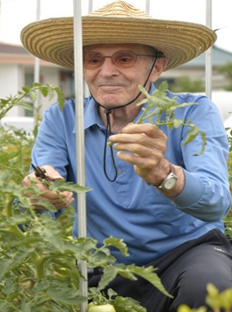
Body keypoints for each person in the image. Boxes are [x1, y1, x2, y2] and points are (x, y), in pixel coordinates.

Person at [20, 1, 232, 311]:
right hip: (99, 264)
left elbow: (216, 204)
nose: (107, 71)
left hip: (186, 252)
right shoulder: (63, 118)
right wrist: (38, 196)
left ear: (156, 67)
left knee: (212, 290)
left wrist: (163, 173)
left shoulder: (193, 112)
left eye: (125, 58)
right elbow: (36, 203)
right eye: (93, 59)